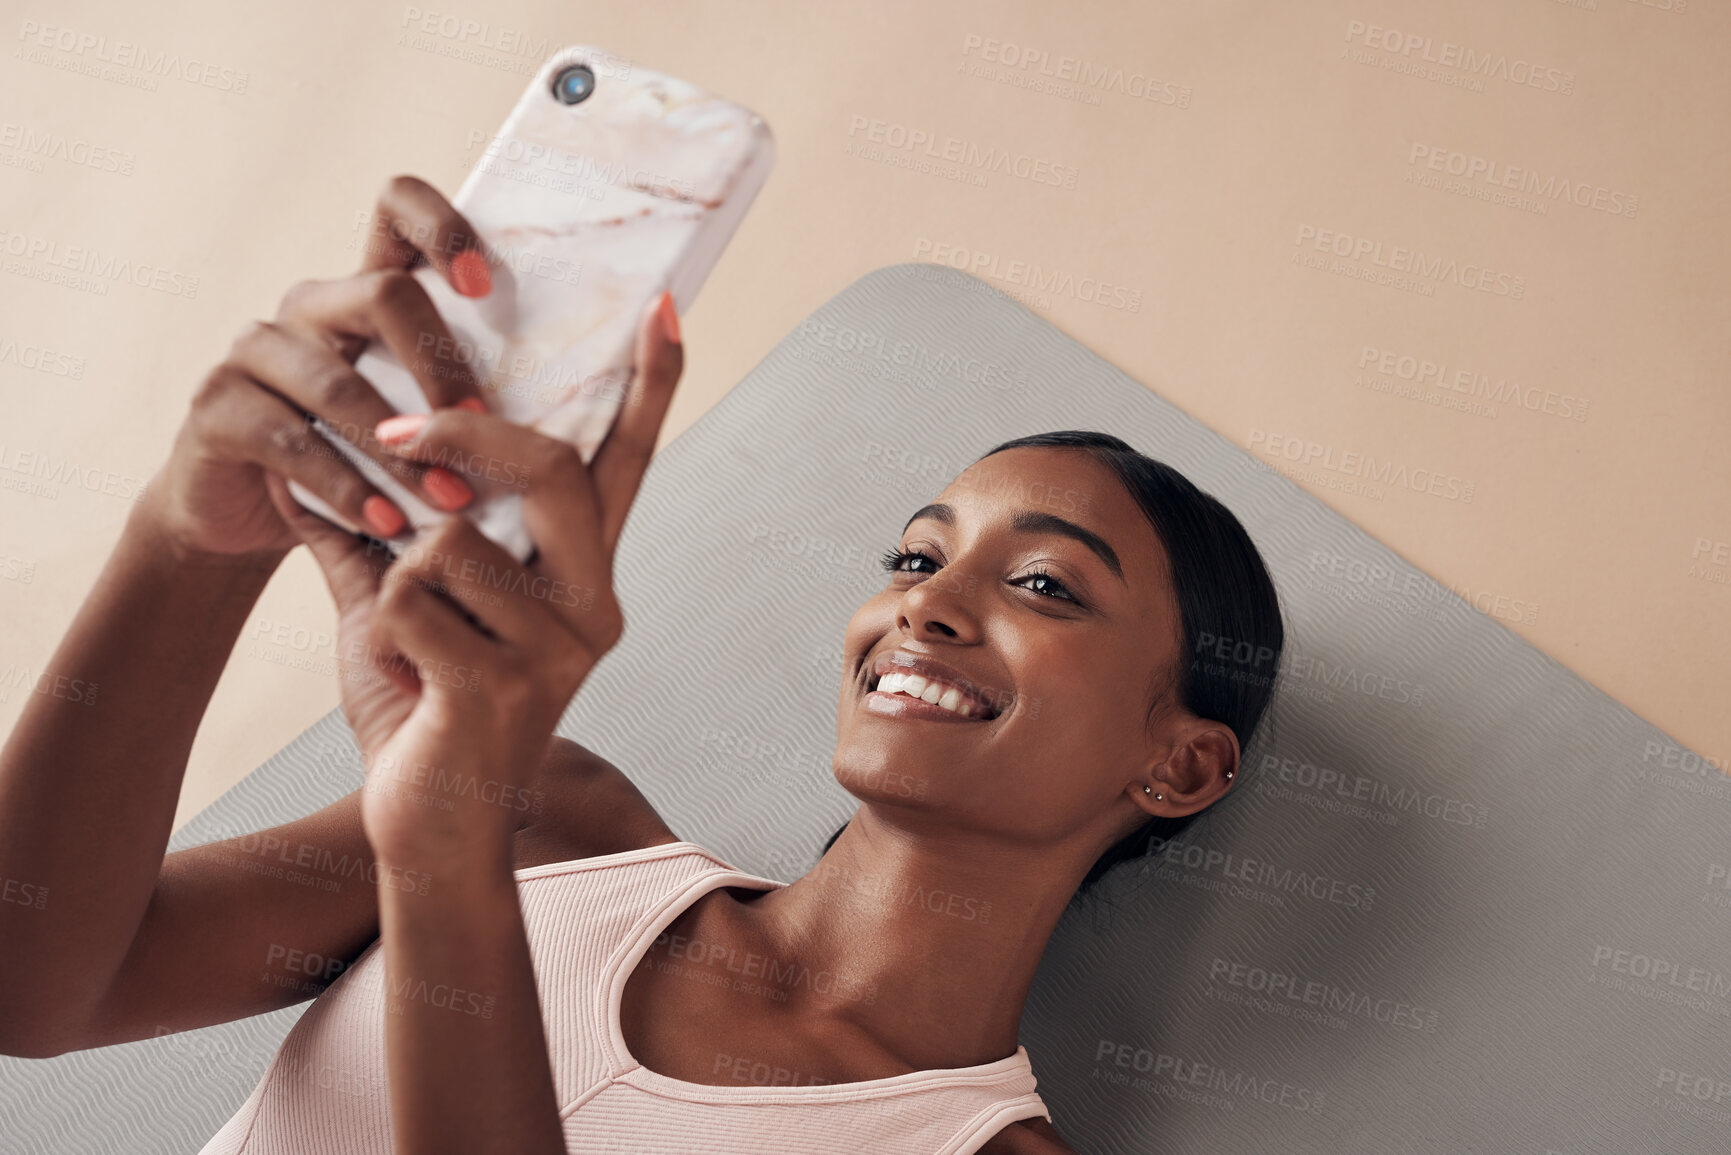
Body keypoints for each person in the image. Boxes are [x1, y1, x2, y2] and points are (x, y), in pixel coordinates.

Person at [0, 175, 1283, 1155]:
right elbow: (35, 984)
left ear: (1179, 763)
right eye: (911, 558)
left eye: (1044, 585)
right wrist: (197, 538)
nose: (928, 607)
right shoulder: (547, 818)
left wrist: (441, 860)